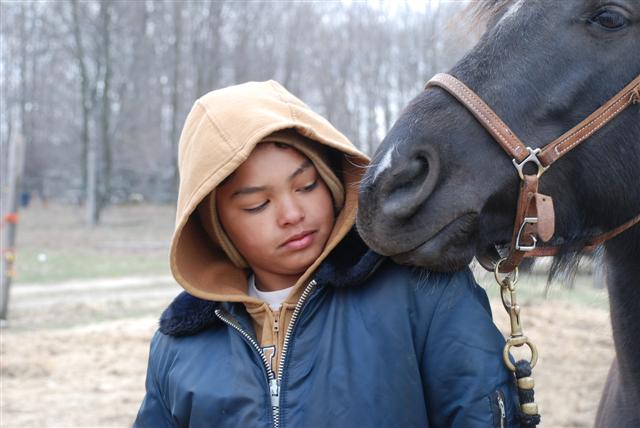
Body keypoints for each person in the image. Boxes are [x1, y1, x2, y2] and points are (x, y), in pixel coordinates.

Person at [134, 80, 520, 427]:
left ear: (333, 180)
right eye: (257, 205)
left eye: (306, 185)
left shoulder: (420, 289)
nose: (292, 214)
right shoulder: (179, 346)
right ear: (214, 227)